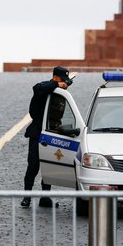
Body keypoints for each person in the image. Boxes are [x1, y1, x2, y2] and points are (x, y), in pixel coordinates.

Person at [21, 66, 72, 208]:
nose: (65, 84)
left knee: (49, 166)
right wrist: (56, 84)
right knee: (33, 166)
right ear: (56, 77)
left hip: (52, 133)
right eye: (63, 80)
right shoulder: (45, 88)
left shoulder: (60, 94)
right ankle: (27, 197)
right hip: (37, 133)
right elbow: (37, 88)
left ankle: (45, 197)